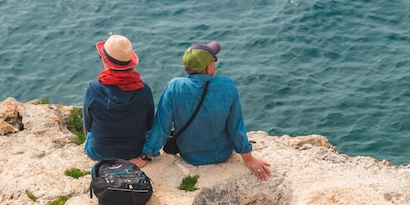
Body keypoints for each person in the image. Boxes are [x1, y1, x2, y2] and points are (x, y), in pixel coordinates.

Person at [142, 41, 271, 180]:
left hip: (190, 156)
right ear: (208, 67)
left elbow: (162, 127)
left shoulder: (174, 87)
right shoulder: (227, 85)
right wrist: (248, 159)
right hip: (222, 154)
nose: (215, 63)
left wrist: (146, 155)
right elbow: (236, 127)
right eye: (214, 60)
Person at [83, 34, 155, 168]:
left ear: (106, 61)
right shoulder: (144, 90)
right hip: (134, 151)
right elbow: (149, 125)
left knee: (89, 137)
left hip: (99, 152)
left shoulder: (94, 89)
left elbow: (87, 126)